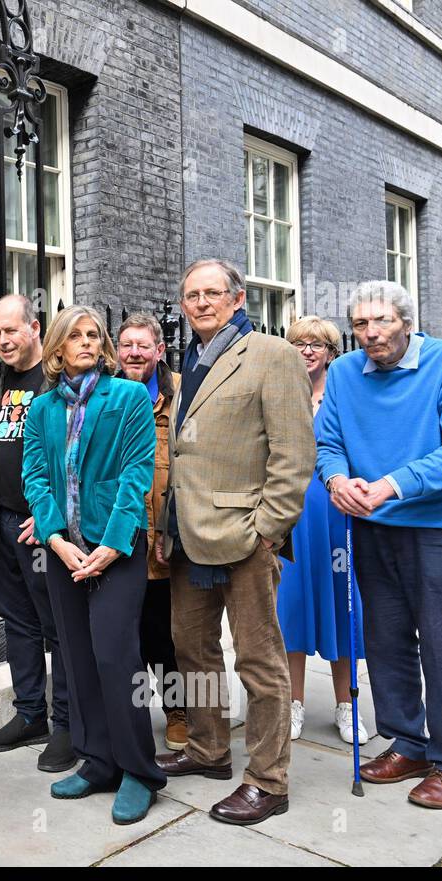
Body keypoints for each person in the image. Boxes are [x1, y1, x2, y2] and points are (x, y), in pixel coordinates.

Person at [316, 281, 442, 809]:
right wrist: (337, 482)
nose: (371, 333)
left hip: (441, 530)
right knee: (387, 642)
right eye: (361, 325)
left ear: (407, 322)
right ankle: (409, 742)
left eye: (382, 322)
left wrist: (392, 484)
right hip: (372, 528)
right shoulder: (345, 373)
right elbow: (329, 443)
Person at [156, 259, 314, 826]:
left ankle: (269, 781)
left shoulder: (273, 356)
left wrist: (268, 530)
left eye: (213, 293)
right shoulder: (188, 366)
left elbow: (294, 455)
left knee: (258, 658)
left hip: (245, 537)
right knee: (191, 650)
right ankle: (208, 750)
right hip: (188, 539)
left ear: (238, 298)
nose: (201, 302)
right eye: (191, 294)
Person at [22, 304, 165, 825]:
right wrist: (56, 540)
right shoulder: (40, 409)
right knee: (76, 657)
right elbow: (35, 478)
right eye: (75, 336)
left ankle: (139, 770)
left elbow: (136, 474)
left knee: (114, 656)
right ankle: (99, 760)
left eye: (93, 335)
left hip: (116, 551)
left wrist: (113, 544)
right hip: (63, 552)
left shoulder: (126, 397)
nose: (86, 342)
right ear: (57, 347)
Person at [0, 294, 74, 772]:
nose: (2, 341)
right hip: (1, 522)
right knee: (20, 624)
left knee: (60, 628)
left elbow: (76, 452)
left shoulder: (57, 377)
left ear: (35, 327)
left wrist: (51, 516)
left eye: (10, 331)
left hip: (43, 529)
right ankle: (31, 715)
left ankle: (69, 724)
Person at [277, 317, 369, 745]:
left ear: (331, 351)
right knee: (290, 609)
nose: (308, 350)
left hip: (336, 512)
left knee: (342, 605)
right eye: (299, 343)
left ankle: (346, 705)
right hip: (291, 514)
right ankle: (292, 704)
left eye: (317, 344)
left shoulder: (346, 394)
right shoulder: (280, 392)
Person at [116, 312, 188, 752]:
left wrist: (172, 530)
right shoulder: (107, 393)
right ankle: (134, 713)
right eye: (127, 345)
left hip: (164, 535)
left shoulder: (178, 394)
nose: (135, 352)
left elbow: (189, 466)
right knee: (129, 632)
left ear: (159, 351)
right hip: (120, 534)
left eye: (144, 345)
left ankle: (179, 711)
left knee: (169, 634)